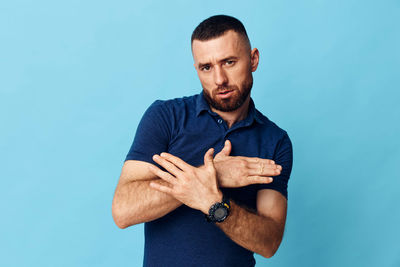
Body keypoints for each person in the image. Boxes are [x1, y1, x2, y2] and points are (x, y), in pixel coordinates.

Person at [112, 15, 293, 267]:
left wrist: (214, 203)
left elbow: (269, 242)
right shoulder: (166, 117)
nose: (219, 79)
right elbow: (123, 210)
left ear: (253, 60)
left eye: (229, 62)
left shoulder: (275, 140)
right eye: (206, 67)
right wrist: (213, 174)